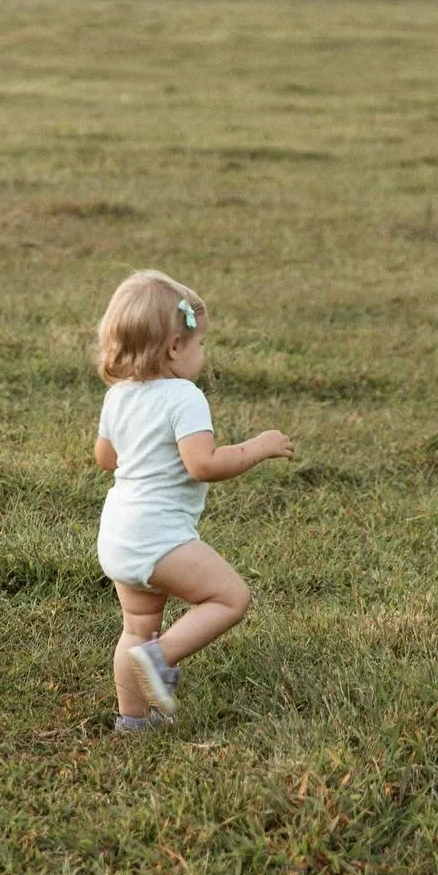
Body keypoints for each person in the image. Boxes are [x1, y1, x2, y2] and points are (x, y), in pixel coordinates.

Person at [93, 270, 293, 730]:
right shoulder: (185, 397)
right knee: (230, 598)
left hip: (118, 533)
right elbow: (203, 465)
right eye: (201, 343)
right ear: (174, 347)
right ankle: (161, 657)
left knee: (135, 629)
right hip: (158, 533)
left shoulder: (118, 396)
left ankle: (134, 721)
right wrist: (258, 447)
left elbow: (105, 457)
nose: (203, 353)